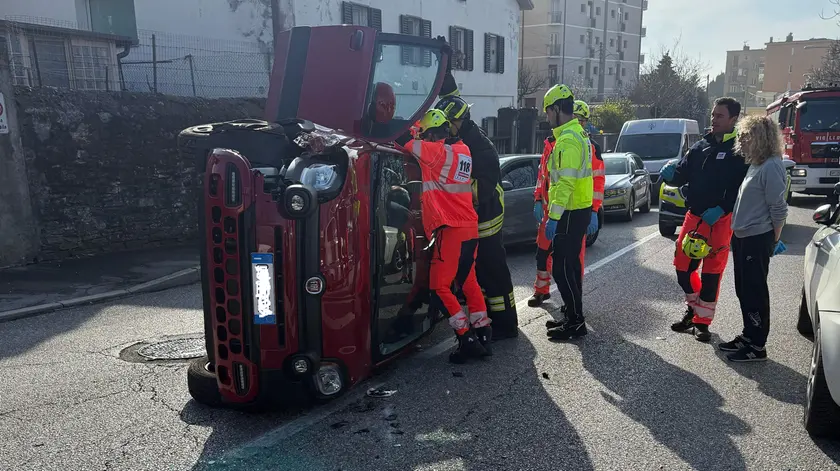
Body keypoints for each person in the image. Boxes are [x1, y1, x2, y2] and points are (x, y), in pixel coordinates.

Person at [395, 109, 492, 363]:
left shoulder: (435, 152)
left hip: (451, 229)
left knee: (439, 285)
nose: (423, 139)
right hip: (470, 227)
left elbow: (404, 140)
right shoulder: (463, 151)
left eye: (424, 135)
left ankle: (465, 337)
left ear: (431, 135)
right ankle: (483, 333)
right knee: (469, 282)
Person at [433, 57, 518, 340]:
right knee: (474, 275)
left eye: (448, 125)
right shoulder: (461, 133)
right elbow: (451, 99)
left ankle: (506, 324)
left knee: (493, 273)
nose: (444, 130)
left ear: (458, 123)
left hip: (487, 219)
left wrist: (451, 184)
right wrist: (444, 72)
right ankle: (486, 321)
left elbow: (481, 189)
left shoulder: (478, 147)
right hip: (470, 220)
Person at [659, 97, 749, 342]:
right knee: (682, 268)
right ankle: (694, 308)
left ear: (733, 119)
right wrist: (671, 175)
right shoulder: (700, 147)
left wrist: (722, 208)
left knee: (711, 273)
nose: (714, 120)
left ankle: (702, 322)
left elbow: (743, 188)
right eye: (713, 115)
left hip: (720, 220)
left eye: (720, 116)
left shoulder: (741, 151)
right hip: (695, 216)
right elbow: (682, 173)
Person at [720, 115, 788, 362]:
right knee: (743, 289)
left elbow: (778, 207)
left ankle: (757, 345)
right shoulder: (757, 164)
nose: (742, 141)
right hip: (743, 237)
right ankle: (749, 335)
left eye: (747, 136)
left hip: (757, 238)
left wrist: (773, 240)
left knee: (754, 291)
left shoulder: (771, 165)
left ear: (761, 138)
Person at [529, 100, 604, 319]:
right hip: (551, 209)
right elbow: (543, 176)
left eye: (582, 120)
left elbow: (596, 182)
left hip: (570, 211)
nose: (579, 122)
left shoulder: (584, 145)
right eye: (576, 118)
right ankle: (542, 291)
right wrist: (537, 200)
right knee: (543, 253)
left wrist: (593, 211)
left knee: (570, 262)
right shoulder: (552, 143)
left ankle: (573, 305)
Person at [540, 85, 594, 340]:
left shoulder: (568, 139)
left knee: (562, 269)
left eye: (549, 111)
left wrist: (553, 216)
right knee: (569, 267)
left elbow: (565, 183)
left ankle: (575, 322)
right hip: (576, 210)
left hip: (570, 211)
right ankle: (573, 317)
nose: (547, 117)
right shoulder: (577, 134)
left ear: (558, 109)